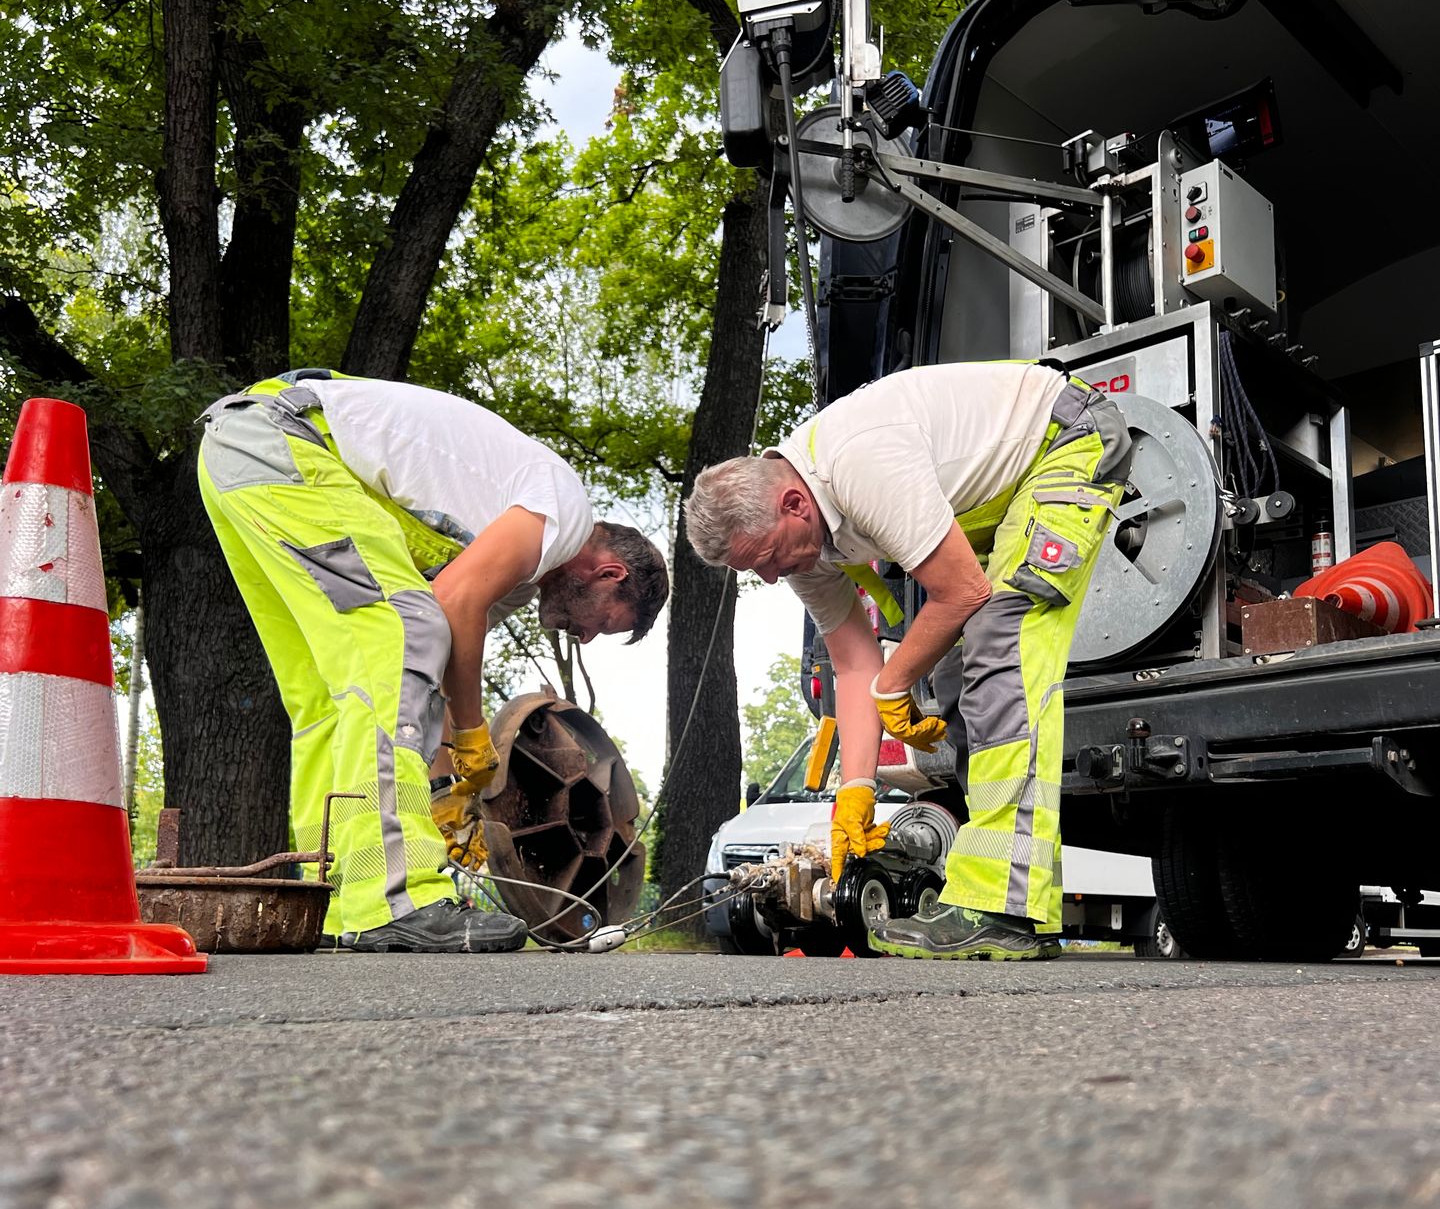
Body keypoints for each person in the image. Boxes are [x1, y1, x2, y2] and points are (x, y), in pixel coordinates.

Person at [198, 370, 668, 953]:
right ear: (609, 574)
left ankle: (339, 899)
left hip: (241, 459)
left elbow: (437, 662)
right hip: (289, 442)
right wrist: (474, 736)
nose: (587, 636)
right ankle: (395, 899)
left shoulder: (515, 576)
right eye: (604, 621)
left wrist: (446, 786)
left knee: (330, 698)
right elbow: (445, 611)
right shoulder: (565, 515)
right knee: (400, 633)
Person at [683, 361, 1130, 960]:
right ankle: (987, 888)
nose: (769, 576)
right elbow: (853, 666)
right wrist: (856, 791)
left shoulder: (860, 465)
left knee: (1002, 638)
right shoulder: (803, 543)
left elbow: (963, 593)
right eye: (753, 570)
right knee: (952, 671)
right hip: (997, 494)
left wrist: (896, 680)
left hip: (1066, 442)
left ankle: (1005, 909)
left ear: (793, 503)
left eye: (766, 558)